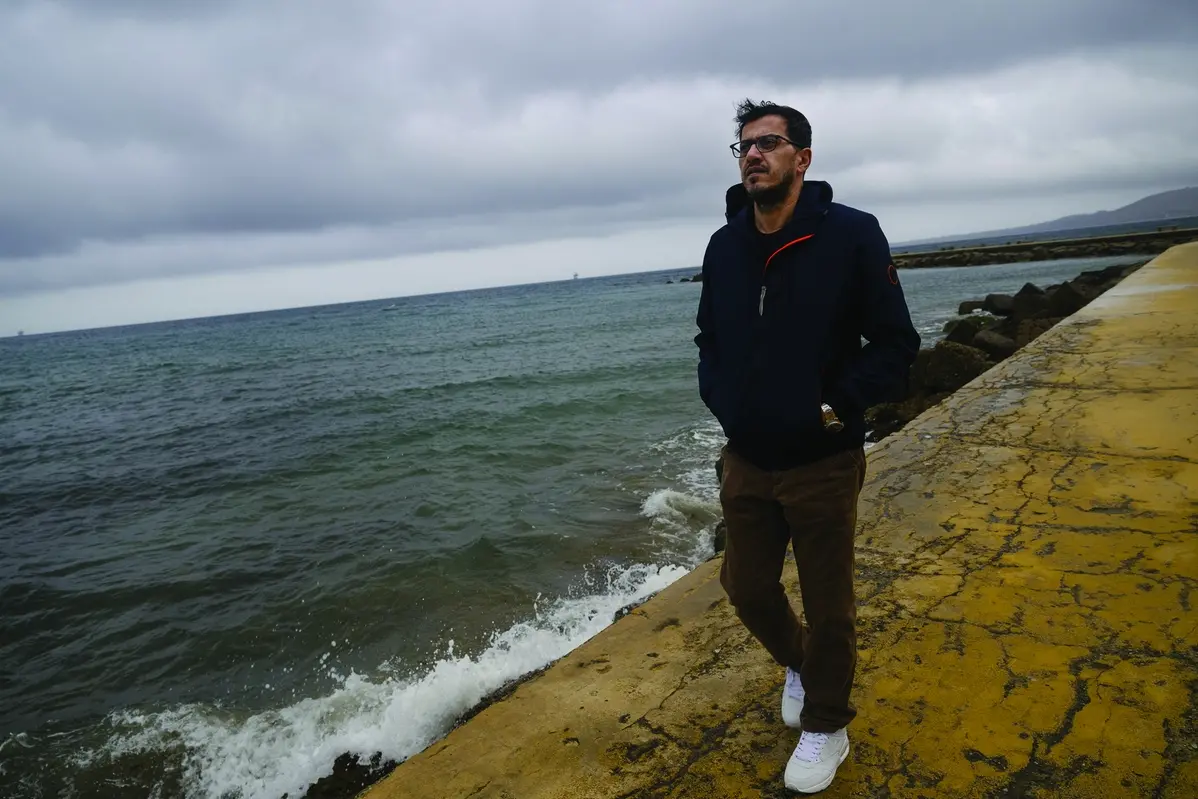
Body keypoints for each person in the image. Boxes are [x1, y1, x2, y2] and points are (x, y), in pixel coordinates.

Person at [694, 99, 920, 793]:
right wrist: (723, 400)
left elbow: (896, 346)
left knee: (830, 607)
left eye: (769, 143)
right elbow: (709, 339)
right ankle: (800, 663)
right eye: (744, 146)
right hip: (747, 457)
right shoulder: (725, 244)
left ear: (803, 157)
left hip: (822, 458)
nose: (753, 155)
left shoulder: (851, 235)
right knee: (746, 585)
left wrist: (831, 407)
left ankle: (827, 722)